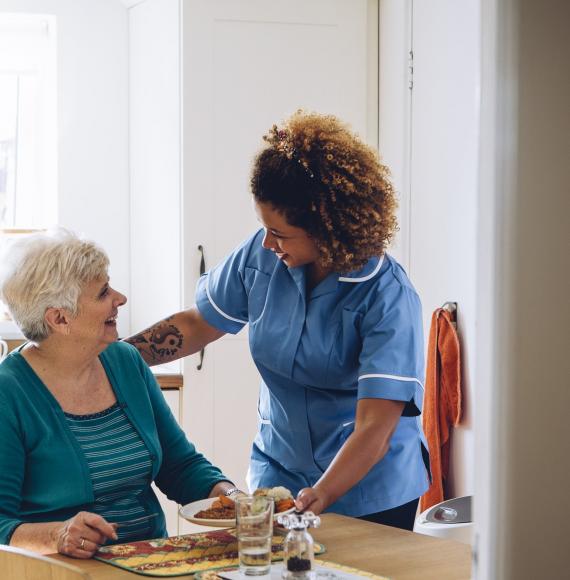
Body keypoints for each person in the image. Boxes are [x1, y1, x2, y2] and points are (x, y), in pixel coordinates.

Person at [127, 111, 430, 531]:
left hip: (368, 489)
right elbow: (198, 324)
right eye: (263, 228)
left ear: (327, 228)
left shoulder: (387, 295)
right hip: (280, 474)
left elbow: (375, 427)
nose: (268, 242)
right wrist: (114, 358)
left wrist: (322, 494)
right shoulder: (262, 253)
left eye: (281, 233)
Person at [0, 230, 238, 558]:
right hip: (61, 571)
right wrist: (58, 535)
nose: (120, 298)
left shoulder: (125, 362)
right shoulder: (8, 393)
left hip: (150, 561)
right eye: (103, 293)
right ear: (60, 318)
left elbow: (179, 466)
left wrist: (233, 499)